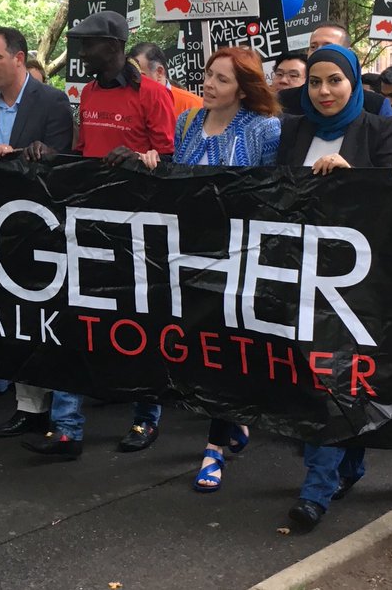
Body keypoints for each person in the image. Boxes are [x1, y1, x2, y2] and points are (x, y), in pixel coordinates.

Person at [22, 10, 174, 460]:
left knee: (142, 325)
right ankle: (67, 428)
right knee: (75, 321)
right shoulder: (87, 93)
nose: (80, 53)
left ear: (112, 46)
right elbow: (85, 154)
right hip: (88, 223)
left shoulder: (152, 93)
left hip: (138, 229)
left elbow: (168, 158)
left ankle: (147, 417)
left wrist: (139, 156)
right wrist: (51, 154)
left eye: (86, 45)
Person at [138, 46, 281, 492]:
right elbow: (180, 179)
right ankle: (234, 418)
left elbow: (272, 192)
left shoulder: (264, 129)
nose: (209, 84)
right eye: (207, 75)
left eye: (221, 79)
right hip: (190, 252)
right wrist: (157, 169)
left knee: (224, 346)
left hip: (238, 254)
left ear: (244, 87)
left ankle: (213, 448)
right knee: (201, 347)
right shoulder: (187, 122)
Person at [275, 44, 392, 532]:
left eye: (335, 81)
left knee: (335, 377)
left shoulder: (379, 130)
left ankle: (316, 488)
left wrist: (358, 179)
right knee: (315, 376)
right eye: (314, 82)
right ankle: (347, 466)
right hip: (300, 271)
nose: (324, 91)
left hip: (356, 281)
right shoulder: (295, 129)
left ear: (353, 83)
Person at [0, 26, 73, 438]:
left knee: (49, 317)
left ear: (19, 58)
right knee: (15, 317)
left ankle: (60, 406)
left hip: (42, 223)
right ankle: (28, 405)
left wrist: (20, 155)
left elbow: (62, 158)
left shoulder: (52, 100)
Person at [276, 22, 392, 117]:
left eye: (328, 46)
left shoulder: (376, 106)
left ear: (348, 53)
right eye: (313, 47)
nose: (319, 51)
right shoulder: (283, 101)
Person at [129, 40, 203, 119]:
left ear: (159, 72)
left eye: (140, 76)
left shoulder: (193, 106)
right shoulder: (130, 106)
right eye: (132, 77)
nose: (134, 82)